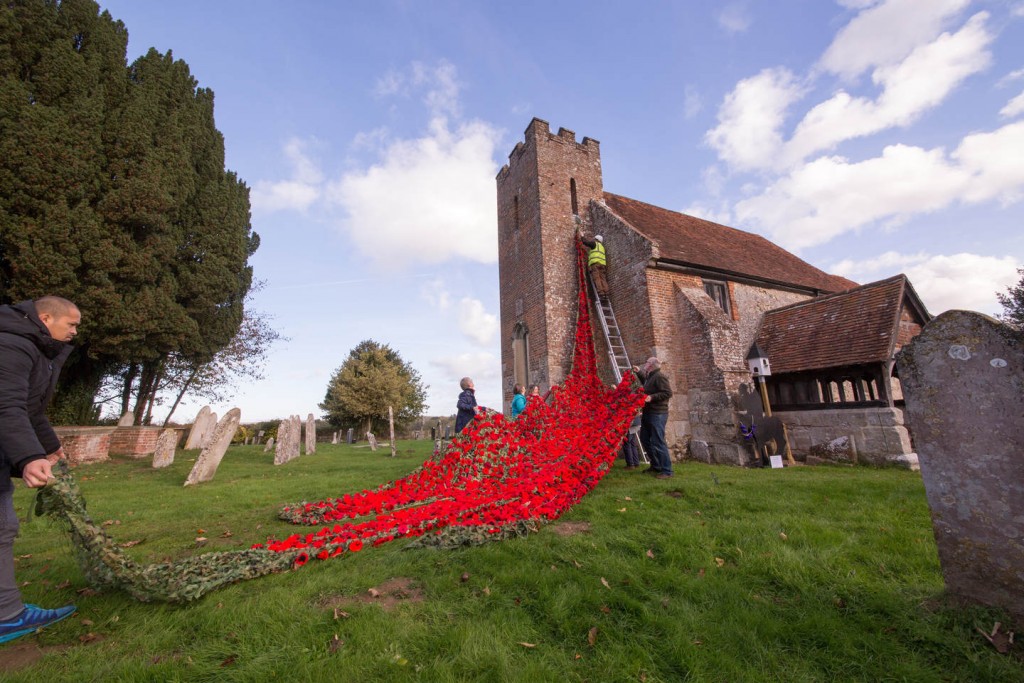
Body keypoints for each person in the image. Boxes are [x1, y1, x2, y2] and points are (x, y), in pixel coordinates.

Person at [0, 296, 81, 643]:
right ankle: (7, 616)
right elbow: (6, 405)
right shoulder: (13, 345)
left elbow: (32, 410)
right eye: (72, 324)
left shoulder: (34, 348)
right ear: (46, 317)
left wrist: (48, 446)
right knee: (3, 526)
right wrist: (29, 456)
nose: (76, 332)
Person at [632, 356, 674, 479]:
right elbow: (647, 383)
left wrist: (652, 397)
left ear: (651, 365)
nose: (646, 363)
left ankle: (667, 470)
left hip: (658, 414)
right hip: (648, 413)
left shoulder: (660, 376)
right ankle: (656, 466)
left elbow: (668, 393)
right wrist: (639, 372)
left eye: (647, 362)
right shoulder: (651, 376)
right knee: (645, 439)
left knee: (658, 441)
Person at [578, 231, 609, 297]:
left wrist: (582, 236)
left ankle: (601, 292)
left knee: (597, 278)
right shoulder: (602, 247)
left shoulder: (595, 244)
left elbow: (586, 243)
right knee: (603, 278)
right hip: (602, 265)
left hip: (595, 264)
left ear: (596, 239)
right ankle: (606, 292)